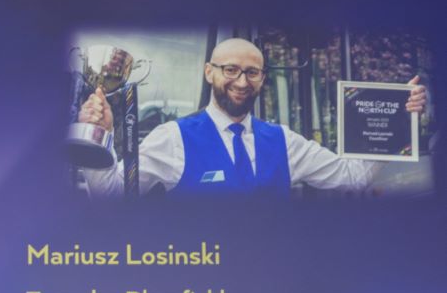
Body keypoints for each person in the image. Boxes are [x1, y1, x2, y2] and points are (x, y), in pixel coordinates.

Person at [79, 37, 427, 196]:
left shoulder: (284, 141)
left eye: (253, 72)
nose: (242, 82)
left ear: (262, 77)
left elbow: (352, 178)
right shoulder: (172, 138)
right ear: (209, 72)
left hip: (272, 285)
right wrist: (98, 137)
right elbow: (111, 191)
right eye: (230, 69)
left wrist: (399, 121)